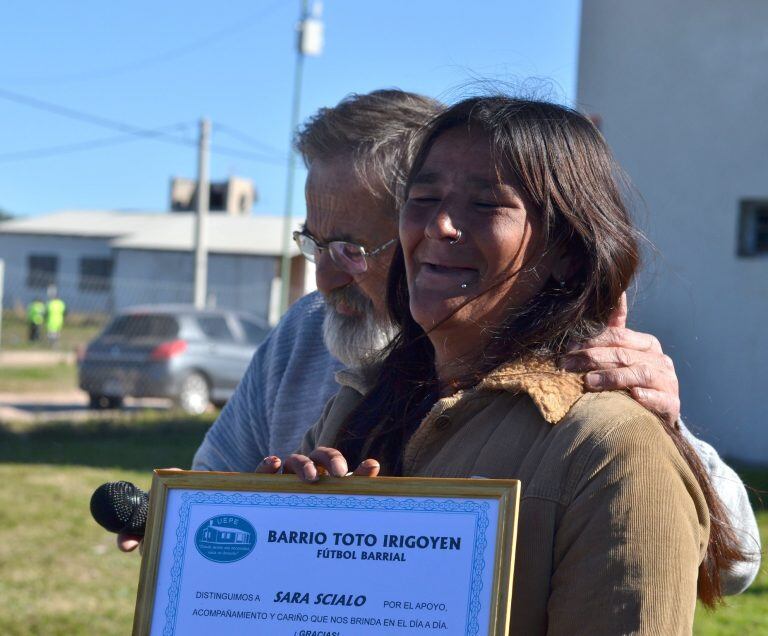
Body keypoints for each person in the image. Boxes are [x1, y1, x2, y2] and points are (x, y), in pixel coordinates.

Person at [121, 91, 759, 594]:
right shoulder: (307, 339)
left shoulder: (579, 389)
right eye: (314, 242)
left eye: (353, 248)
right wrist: (288, 513)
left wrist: (665, 427)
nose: (324, 276)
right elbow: (213, 513)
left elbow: (726, 563)